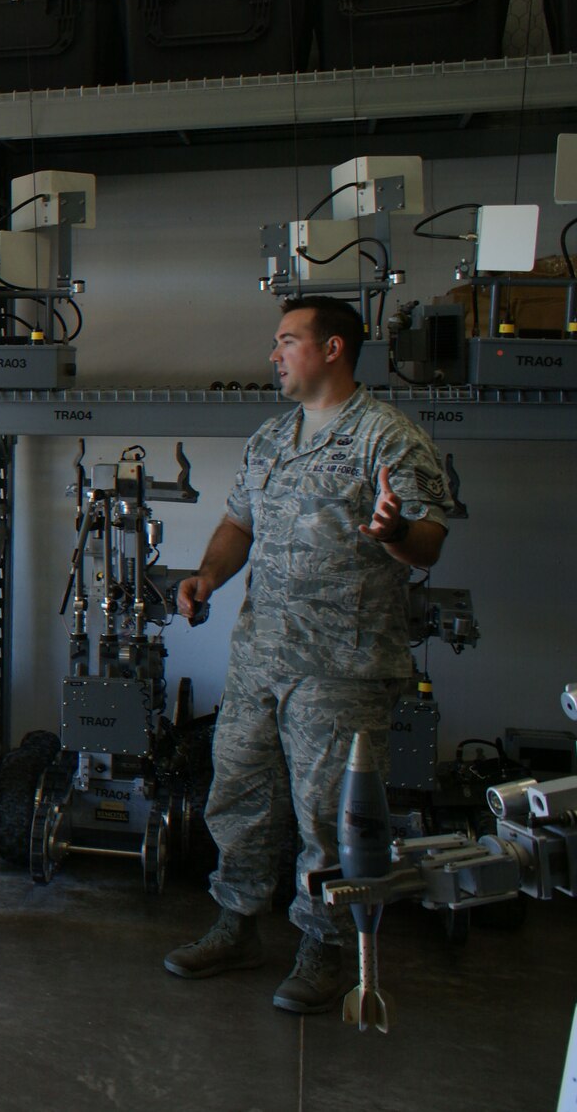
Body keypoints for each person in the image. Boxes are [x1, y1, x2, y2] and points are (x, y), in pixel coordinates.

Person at [164, 295, 453, 1013]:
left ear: (332, 349)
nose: (274, 353)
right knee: (239, 793)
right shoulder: (271, 438)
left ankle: (327, 947)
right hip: (262, 655)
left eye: (287, 339)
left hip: (342, 666)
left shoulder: (386, 436)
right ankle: (236, 923)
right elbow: (238, 521)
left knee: (329, 816)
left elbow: (427, 543)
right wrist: (206, 575)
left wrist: (392, 532)